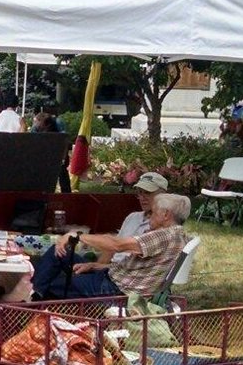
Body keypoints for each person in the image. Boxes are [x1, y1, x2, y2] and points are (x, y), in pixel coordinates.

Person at [31, 192, 190, 301]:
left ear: (166, 215)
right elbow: (132, 267)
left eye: (154, 213)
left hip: (114, 289)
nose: (150, 217)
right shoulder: (177, 235)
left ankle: (26, 304)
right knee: (58, 253)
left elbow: (116, 245)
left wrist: (77, 236)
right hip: (110, 277)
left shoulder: (164, 235)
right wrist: (95, 265)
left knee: (50, 281)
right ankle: (31, 297)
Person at [72, 172, 168, 276]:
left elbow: (134, 268)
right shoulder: (133, 217)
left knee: (60, 282)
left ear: (163, 195)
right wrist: (96, 267)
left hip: (121, 277)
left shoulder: (162, 227)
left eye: (147, 193)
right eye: (140, 193)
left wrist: (96, 267)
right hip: (106, 270)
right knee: (57, 252)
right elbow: (112, 247)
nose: (142, 197)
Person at [32, 108, 71, 193]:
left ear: (47, 125)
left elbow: (65, 141)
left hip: (59, 147)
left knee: (62, 172)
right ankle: (44, 191)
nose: (36, 126)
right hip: (45, 148)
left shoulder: (58, 123)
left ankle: (66, 193)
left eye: (40, 126)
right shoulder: (35, 127)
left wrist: (63, 158)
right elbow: (32, 141)